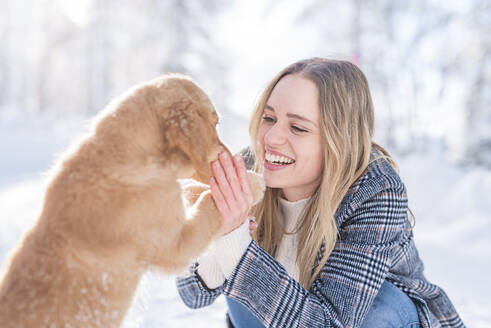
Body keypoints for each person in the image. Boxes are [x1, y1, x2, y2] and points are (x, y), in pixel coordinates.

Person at [176, 58, 464, 328]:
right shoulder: (250, 170)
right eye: (268, 118)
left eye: (298, 127)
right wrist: (224, 239)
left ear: (339, 140)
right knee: (242, 274)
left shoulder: (375, 189)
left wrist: (238, 247)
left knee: (380, 305)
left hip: (376, 319)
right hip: (283, 315)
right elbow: (193, 295)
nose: (271, 138)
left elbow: (330, 323)